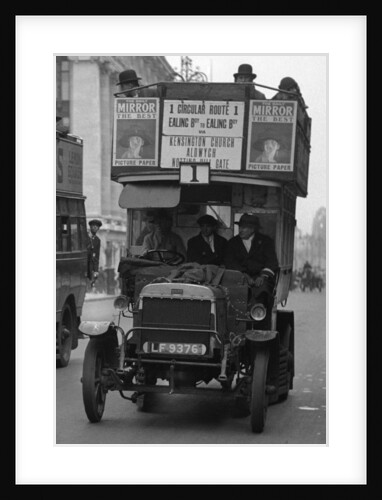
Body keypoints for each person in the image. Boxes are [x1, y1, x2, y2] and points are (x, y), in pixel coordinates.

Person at [224, 213, 278, 287]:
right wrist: (243, 274)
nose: (240, 230)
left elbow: (272, 262)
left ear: (252, 229)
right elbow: (229, 262)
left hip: (261, 278)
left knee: (263, 290)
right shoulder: (232, 242)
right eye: (240, 227)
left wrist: (263, 276)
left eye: (244, 228)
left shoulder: (266, 241)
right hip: (239, 278)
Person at [87, 219, 102, 287]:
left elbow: (96, 256)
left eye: (97, 226)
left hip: (90, 266)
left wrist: (96, 270)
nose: (95, 227)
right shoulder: (85, 237)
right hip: (84, 263)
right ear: (90, 227)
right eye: (93, 226)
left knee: (89, 283)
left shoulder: (97, 240)